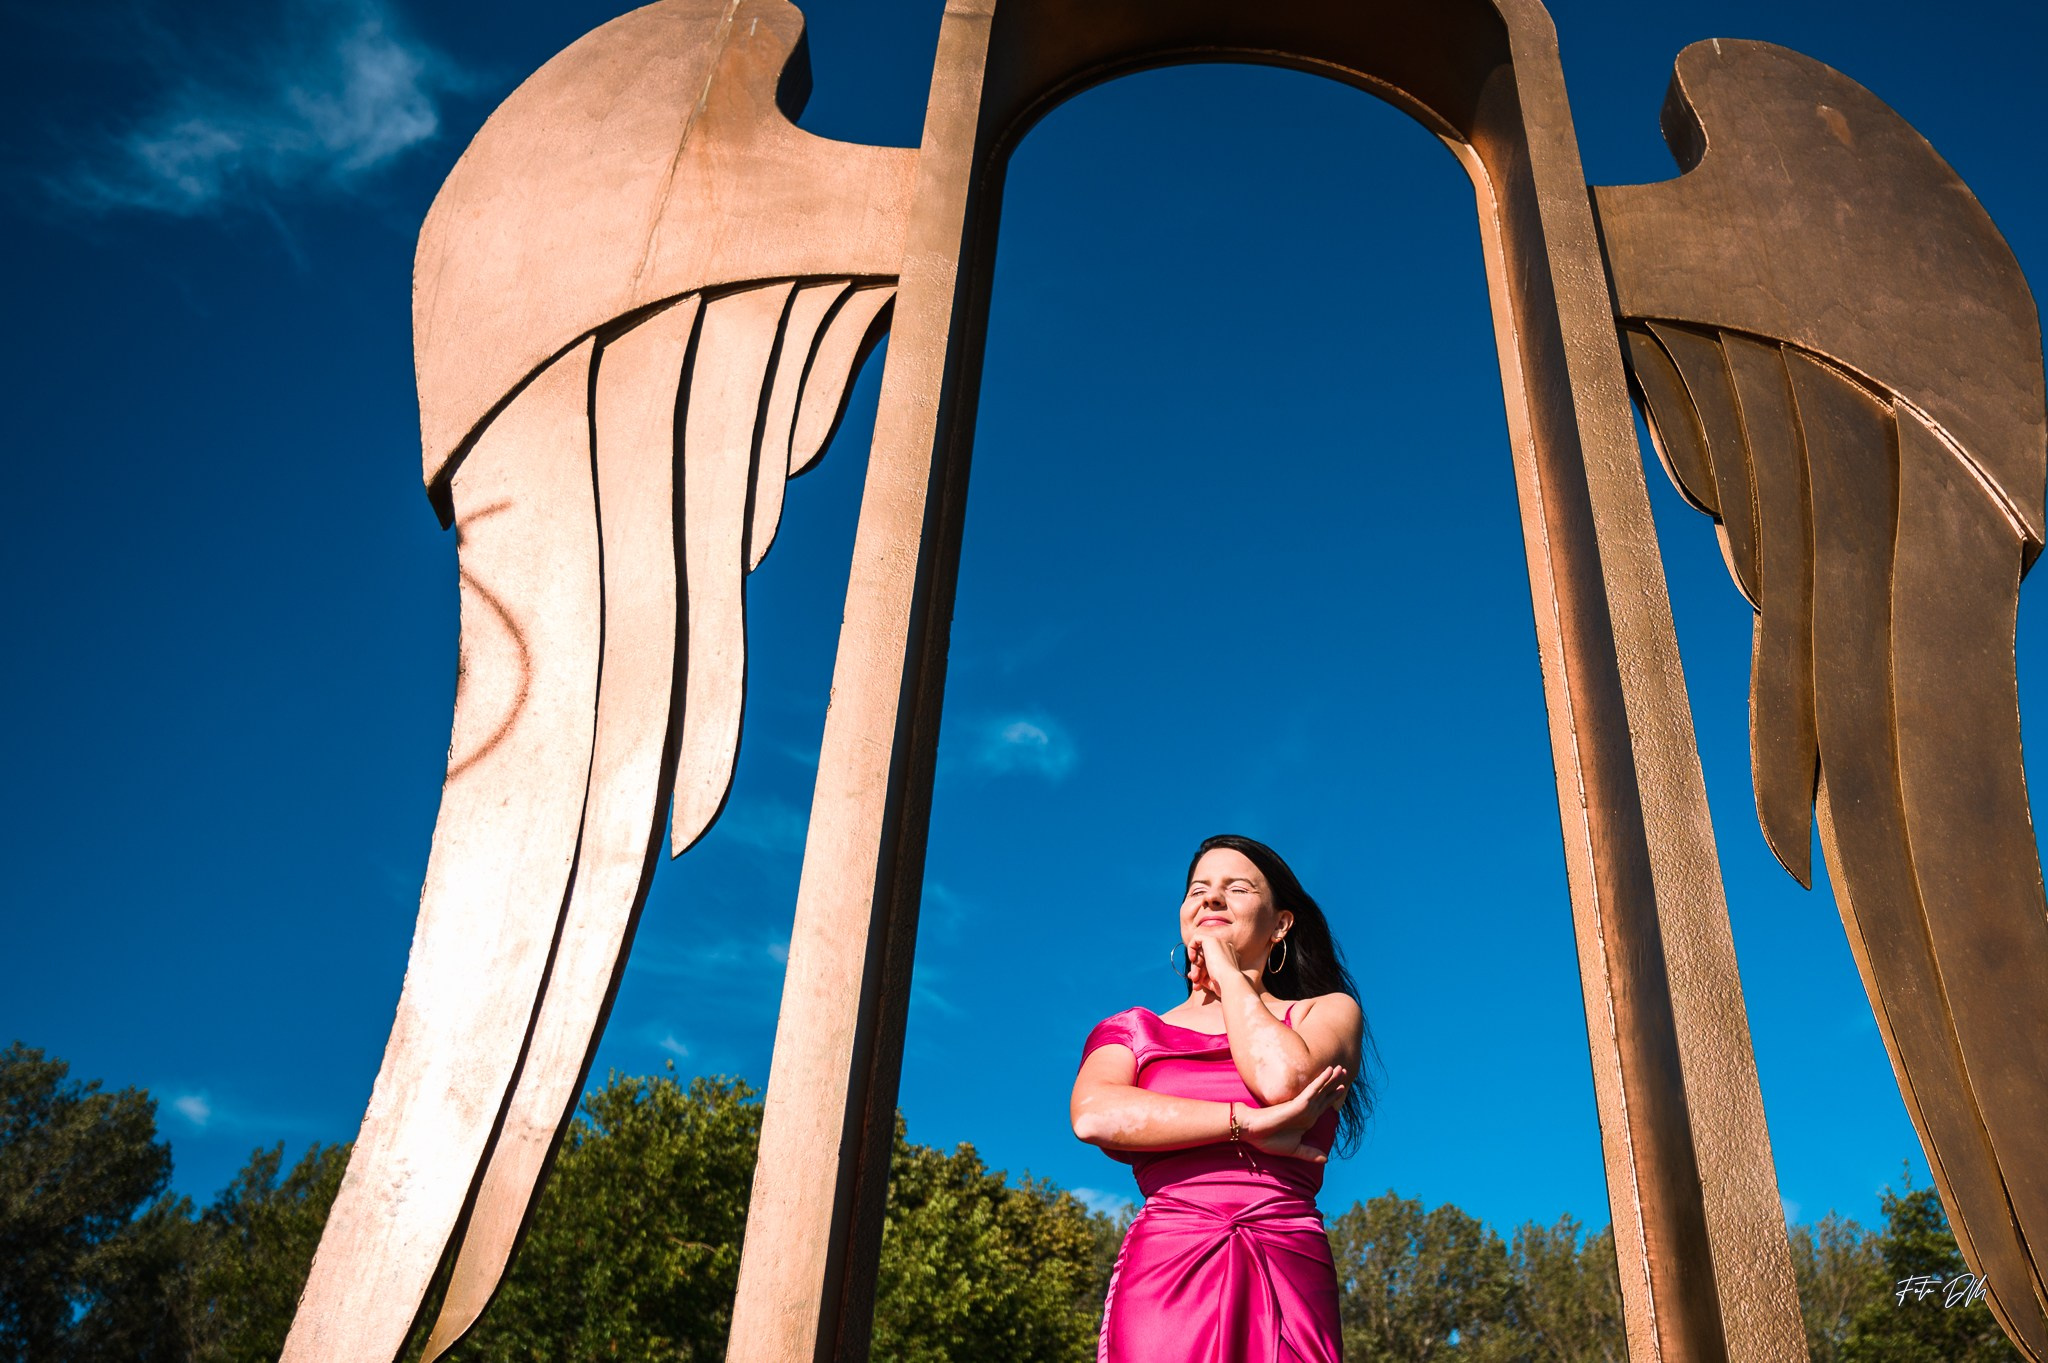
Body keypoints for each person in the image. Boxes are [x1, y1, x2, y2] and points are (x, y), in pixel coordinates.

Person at [1071, 834, 1373, 1363]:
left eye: (1236, 888)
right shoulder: (1133, 1030)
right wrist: (1247, 1124)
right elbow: (1095, 1116)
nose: (1211, 899)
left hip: (1285, 1260)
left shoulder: (1324, 1013)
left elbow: (1282, 1081)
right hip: (1167, 1269)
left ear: (1280, 924)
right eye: (1198, 890)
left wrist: (1230, 972)